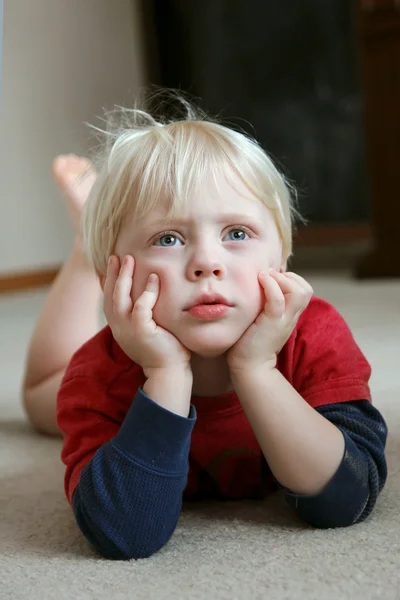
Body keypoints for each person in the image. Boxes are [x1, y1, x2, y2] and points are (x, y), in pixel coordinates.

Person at [25, 99, 388, 561]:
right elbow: (124, 533)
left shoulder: (315, 334)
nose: (207, 263)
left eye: (237, 233)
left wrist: (255, 368)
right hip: (106, 367)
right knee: (43, 396)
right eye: (168, 239)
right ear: (112, 276)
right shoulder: (96, 376)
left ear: (281, 259)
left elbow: (347, 498)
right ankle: (83, 252)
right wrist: (165, 374)